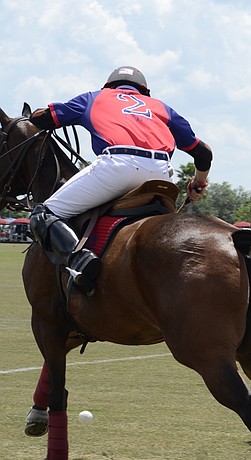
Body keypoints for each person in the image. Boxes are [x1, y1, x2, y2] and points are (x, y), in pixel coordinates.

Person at [27, 65, 213, 294]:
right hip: (162, 173)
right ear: (144, 91)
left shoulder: (94, 98)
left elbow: (44, 119)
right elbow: (204, 153)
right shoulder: (161, 107)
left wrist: (33, 115)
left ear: (109, 85)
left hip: (117, 166)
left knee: (43, 214)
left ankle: (80, 262)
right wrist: (197, 183)